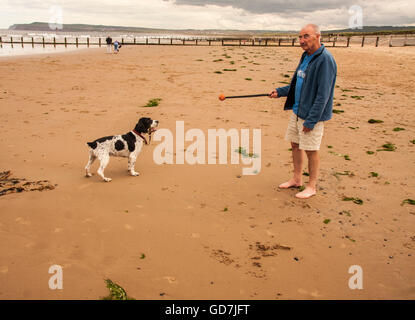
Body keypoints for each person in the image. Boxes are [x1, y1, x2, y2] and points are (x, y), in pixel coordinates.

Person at [269, 24, 337, 199]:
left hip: (310, 115)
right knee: (295, 144)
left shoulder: (325, 60)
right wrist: (280, 91)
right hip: (298, 111)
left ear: (318, 36)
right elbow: (297, 83)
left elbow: (323, 95)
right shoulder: (306, 56)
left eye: (306, 36)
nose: (301, 41)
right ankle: (297, 179)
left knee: (311, 150)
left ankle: (311, 186)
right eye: (300, 37)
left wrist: (311, 120)